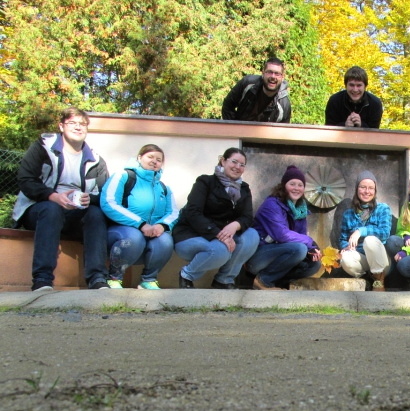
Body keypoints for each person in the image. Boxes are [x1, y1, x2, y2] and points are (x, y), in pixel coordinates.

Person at [12, 107, 110, 291]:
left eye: (82, 124)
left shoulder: (96, 160)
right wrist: (53, 196)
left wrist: (90, 199)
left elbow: (105, 194)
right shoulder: (43, 147)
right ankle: (42, 279)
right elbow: (26, 180)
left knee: (95, 214)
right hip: (39, 209)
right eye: (72, 123)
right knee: (52, 209)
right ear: (61, 126)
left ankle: (97, 278)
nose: (78, 127)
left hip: (75, 214)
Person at [172, 148, 260, 289]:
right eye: (234, 162)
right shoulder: (205, 182)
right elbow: (193, 213)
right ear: (223, 161)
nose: (237, 167)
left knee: (252, 235)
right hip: (191, 235)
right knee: (220, 250)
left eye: (242, 164)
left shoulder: (244, 188)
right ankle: (187, 275)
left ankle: (223, 280)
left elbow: (247, 217)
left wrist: (235, 225)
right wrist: (218, 234)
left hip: (222, 236)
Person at [100, 144, 179, 289]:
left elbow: (173, 212)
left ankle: (149, 280)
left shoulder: (164, 188)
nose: (154, 161)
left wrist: (162, 225)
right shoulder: (123, 176)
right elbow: (109, 202)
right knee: (134, 237)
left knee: (165, 241)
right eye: (150, 157)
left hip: (151, 232)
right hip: (122, 230)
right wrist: (140, 224)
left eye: (159, 160)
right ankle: (114, 278)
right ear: (139, 157)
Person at [246, 165, 321, 290]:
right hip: (259, 257)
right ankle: (263, 281)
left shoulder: (300, 210)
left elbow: (301, 236)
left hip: (284, 253)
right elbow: (281, 234)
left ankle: (278, 283)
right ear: (284, 186)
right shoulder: (272, 204)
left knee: (314, 264)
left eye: (300, 185)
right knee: (299, 249)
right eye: (292, 184)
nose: (296, 188)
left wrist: (311, 250)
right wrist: (310, 242)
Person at [338, 171, 392, 291]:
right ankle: (366, 281)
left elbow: (385, 233)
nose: (367, 191)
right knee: (345, 258)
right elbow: (342, 238)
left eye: (371, 188)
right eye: (363, 187)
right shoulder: (348, 214)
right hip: (361, 258)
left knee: (370, 240)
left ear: (375, 191)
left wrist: (361, 231)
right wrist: (346, 247)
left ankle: (379, 281)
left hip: (381, 260)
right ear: (357, 189)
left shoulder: (382, 209)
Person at [221, 57, 292, 123]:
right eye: (269, 72)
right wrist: (233, 128)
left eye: (277, 74)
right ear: (263, 73)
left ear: (282, 77)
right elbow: (228, 105)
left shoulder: (284, 105)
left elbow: (282, 130)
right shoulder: (247, 83)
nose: (273, 76)